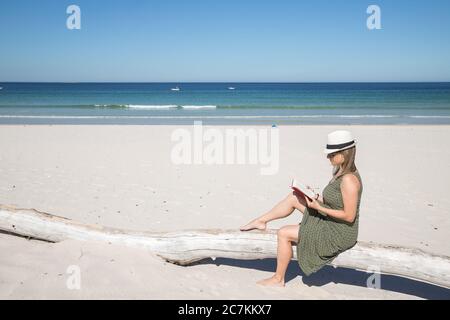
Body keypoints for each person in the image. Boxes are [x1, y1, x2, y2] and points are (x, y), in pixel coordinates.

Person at [240, 130, 363, 286]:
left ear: (344, 154)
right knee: (294, 197)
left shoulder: (349, 180)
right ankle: (260, 221)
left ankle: (278, 279)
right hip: (333, 221)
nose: (328, 157)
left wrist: (319, 207)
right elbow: (337, 201)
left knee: (283, 232)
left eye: (331, 154)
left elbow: (349, 216)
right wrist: (315, 196)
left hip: (339, 232)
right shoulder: (341, 172)